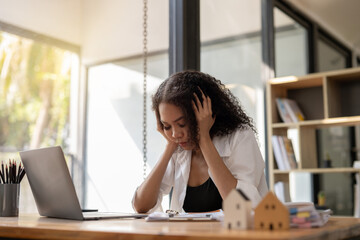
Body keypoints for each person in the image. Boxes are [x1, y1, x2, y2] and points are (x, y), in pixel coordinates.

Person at [132, 70, 268, 213]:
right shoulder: (178, 150)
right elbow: (141, 206)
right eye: (167, 126)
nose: (175, 133)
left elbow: (241, 204)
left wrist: (204, 139)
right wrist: (169, 147)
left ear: (204, 113)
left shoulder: (240, 136)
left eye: (182, 124)